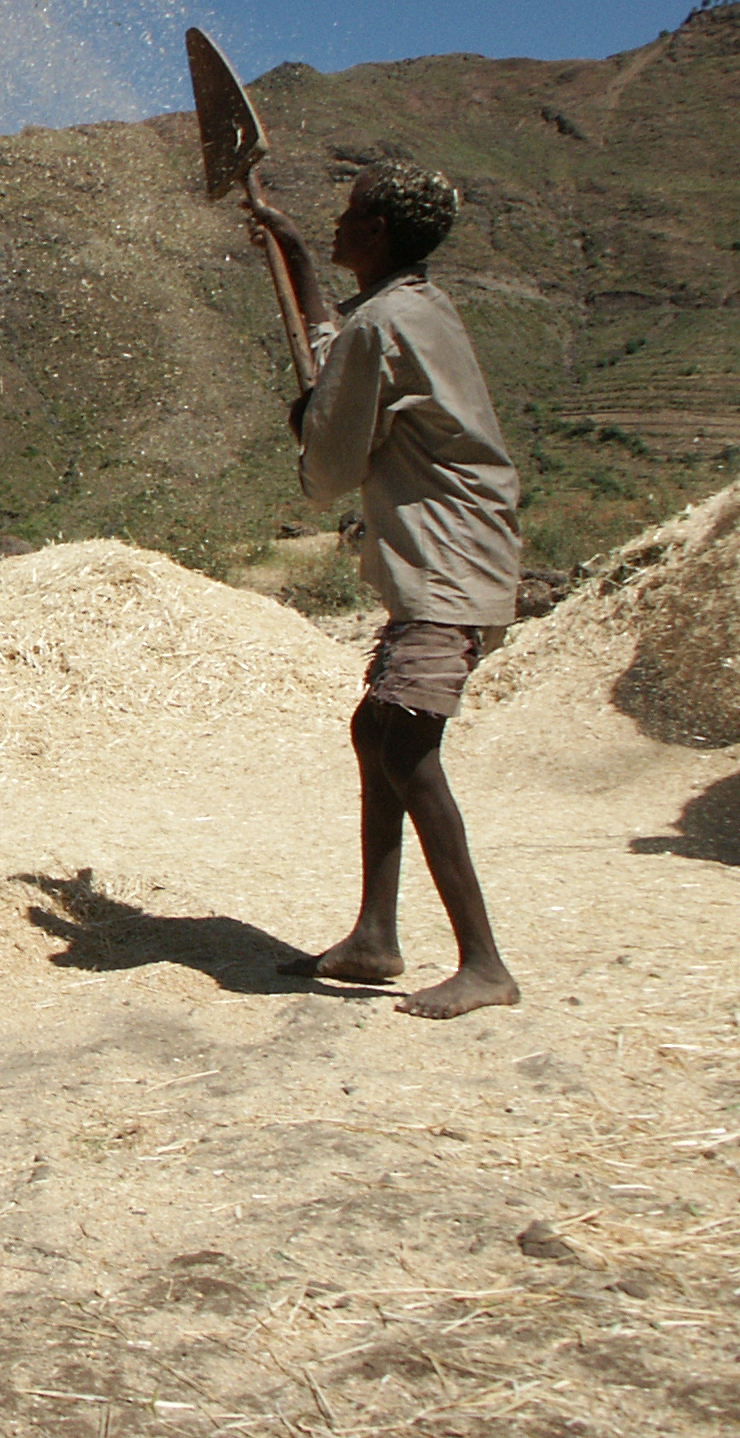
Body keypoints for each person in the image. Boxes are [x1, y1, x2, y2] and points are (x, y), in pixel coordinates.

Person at [250, 161, 523, 1019]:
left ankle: (484, 965)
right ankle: (374, 938)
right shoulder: (409, 308)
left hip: (449, 565)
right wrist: (292, 250)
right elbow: (337, 343)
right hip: (454, 556)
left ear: (377, 234)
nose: (337, 221)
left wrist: (308, 422)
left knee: (403, 742)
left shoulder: (384, 328)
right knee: (375, 730)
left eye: (349, 213)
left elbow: (328, 469)